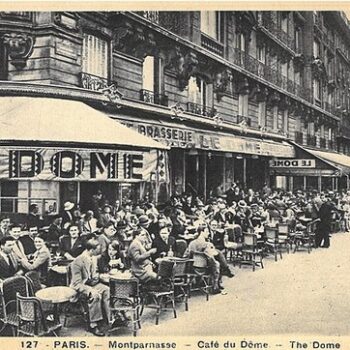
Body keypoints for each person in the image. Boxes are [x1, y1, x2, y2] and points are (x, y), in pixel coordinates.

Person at [70, 235, 110, 336]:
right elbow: (76, 283)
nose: (100, 250)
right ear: (92, 250)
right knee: (95, 295)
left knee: (106, 290)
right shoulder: (77, 262)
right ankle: (93, 325)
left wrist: (100, 277)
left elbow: (94, 275)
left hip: (92, 284)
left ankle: (108, 319)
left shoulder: (93, 258)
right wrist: (89, 290)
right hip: (80, 287)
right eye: (98, 248)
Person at [183, 226, 222, 294]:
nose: (208, 233)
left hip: (191, 267)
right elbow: (213, 254)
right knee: (216, 263)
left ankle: (199, 282)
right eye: (207, 232)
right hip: (203, 268)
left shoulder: (192, 243)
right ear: (202, 232)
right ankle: (215, 285)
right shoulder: (206, 244)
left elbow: (186, 254)